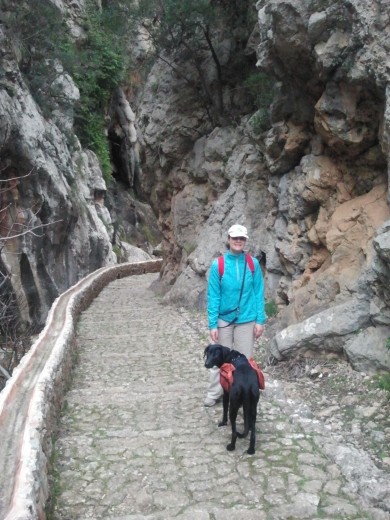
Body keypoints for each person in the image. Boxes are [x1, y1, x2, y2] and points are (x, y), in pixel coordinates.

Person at [204, 224, 266, 407]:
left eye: (242, 238)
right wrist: (212, 324)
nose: (238, 241)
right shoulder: (219, 265)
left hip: (247, 319)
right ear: (229, 239)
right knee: (217, 359)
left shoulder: (252, 264)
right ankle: (215, 392)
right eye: (235, 238)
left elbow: (258, 293)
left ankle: (241, 392)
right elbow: (213, 296)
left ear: (245, 241)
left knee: (244, 360)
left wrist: (260, 320)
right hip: (224, 319)